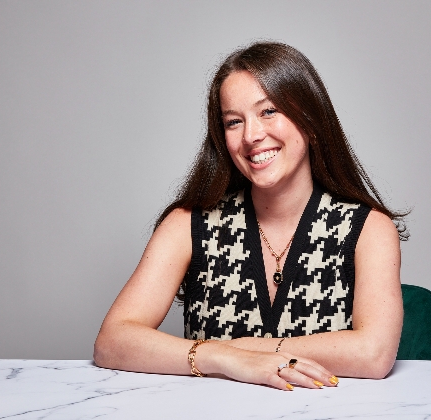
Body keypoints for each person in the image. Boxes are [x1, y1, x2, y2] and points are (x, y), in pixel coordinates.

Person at [94, 41, 407, 391]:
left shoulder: (368, 228)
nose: (252, 136)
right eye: (233, 122)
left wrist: (253, 348)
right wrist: (226, 358)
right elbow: (112, 341)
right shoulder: (187, 224)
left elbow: (374, 354)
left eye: (269, 111)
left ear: (311, 121)